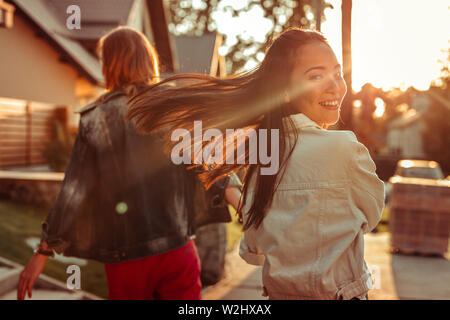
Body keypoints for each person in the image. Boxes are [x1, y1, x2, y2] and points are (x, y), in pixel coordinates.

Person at [125, 28, 385, 300]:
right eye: (316, 76)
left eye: (337, 73)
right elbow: (371, 216)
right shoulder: (345, 148)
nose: (335, 86)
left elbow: (256, 247)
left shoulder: (263, 156)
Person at [17, 26, 240, 300]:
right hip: (177, 250)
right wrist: (241, 201)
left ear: (110, 64)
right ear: (148, 60)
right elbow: (208, 162)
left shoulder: (96, 118)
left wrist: (42, 252)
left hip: (126, 260)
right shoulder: (173, 108)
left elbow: (73, 194)